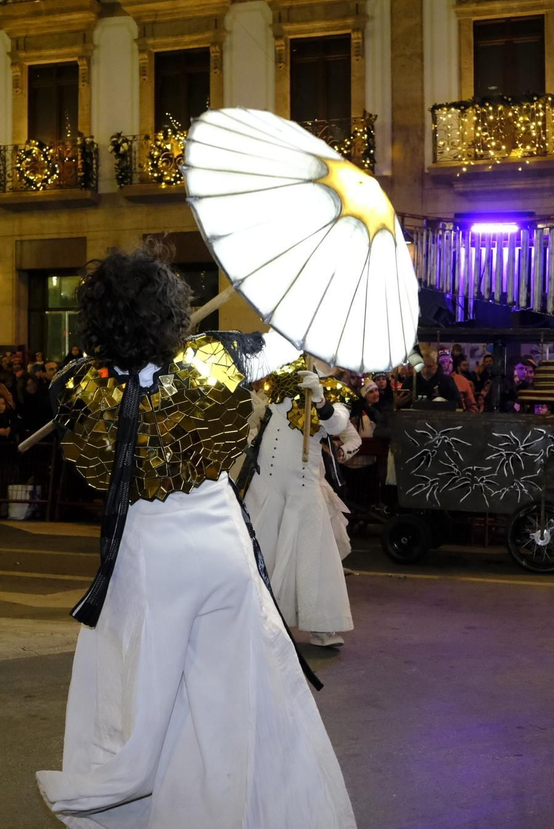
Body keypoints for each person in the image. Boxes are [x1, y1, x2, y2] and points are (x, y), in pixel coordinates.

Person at [36, 247, 355, 827]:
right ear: (171, 310)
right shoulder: (219, 359)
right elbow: (286, 339)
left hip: (148, 559)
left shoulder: (74, 387)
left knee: (143, 683)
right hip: (221, 552)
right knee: (228, 689)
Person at [246, 361, 362, 648]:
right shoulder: (282, 378)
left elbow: (336, 424)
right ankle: (252, 618)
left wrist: (321, 399)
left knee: (311, 554)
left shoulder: (338, 393)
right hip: (265, 484)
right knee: (258, 548)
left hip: (303, 484)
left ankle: (321, 624)